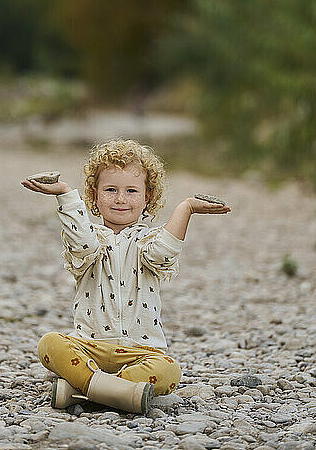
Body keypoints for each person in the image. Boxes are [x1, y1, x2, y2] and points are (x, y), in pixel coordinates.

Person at [20, 138, 231, 414]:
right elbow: (84, 246)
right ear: (94, 195)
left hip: (139, 351)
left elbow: (162, 254)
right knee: (50, 343)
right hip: (89, 346)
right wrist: (66, 194)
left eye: (131, 191)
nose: (120, 199)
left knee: (169, 370)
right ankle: (119, 393)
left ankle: (82, 390)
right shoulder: (90, 237)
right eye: (110, 189)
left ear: (147, 198)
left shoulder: (150, 241)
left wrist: (186, 208)